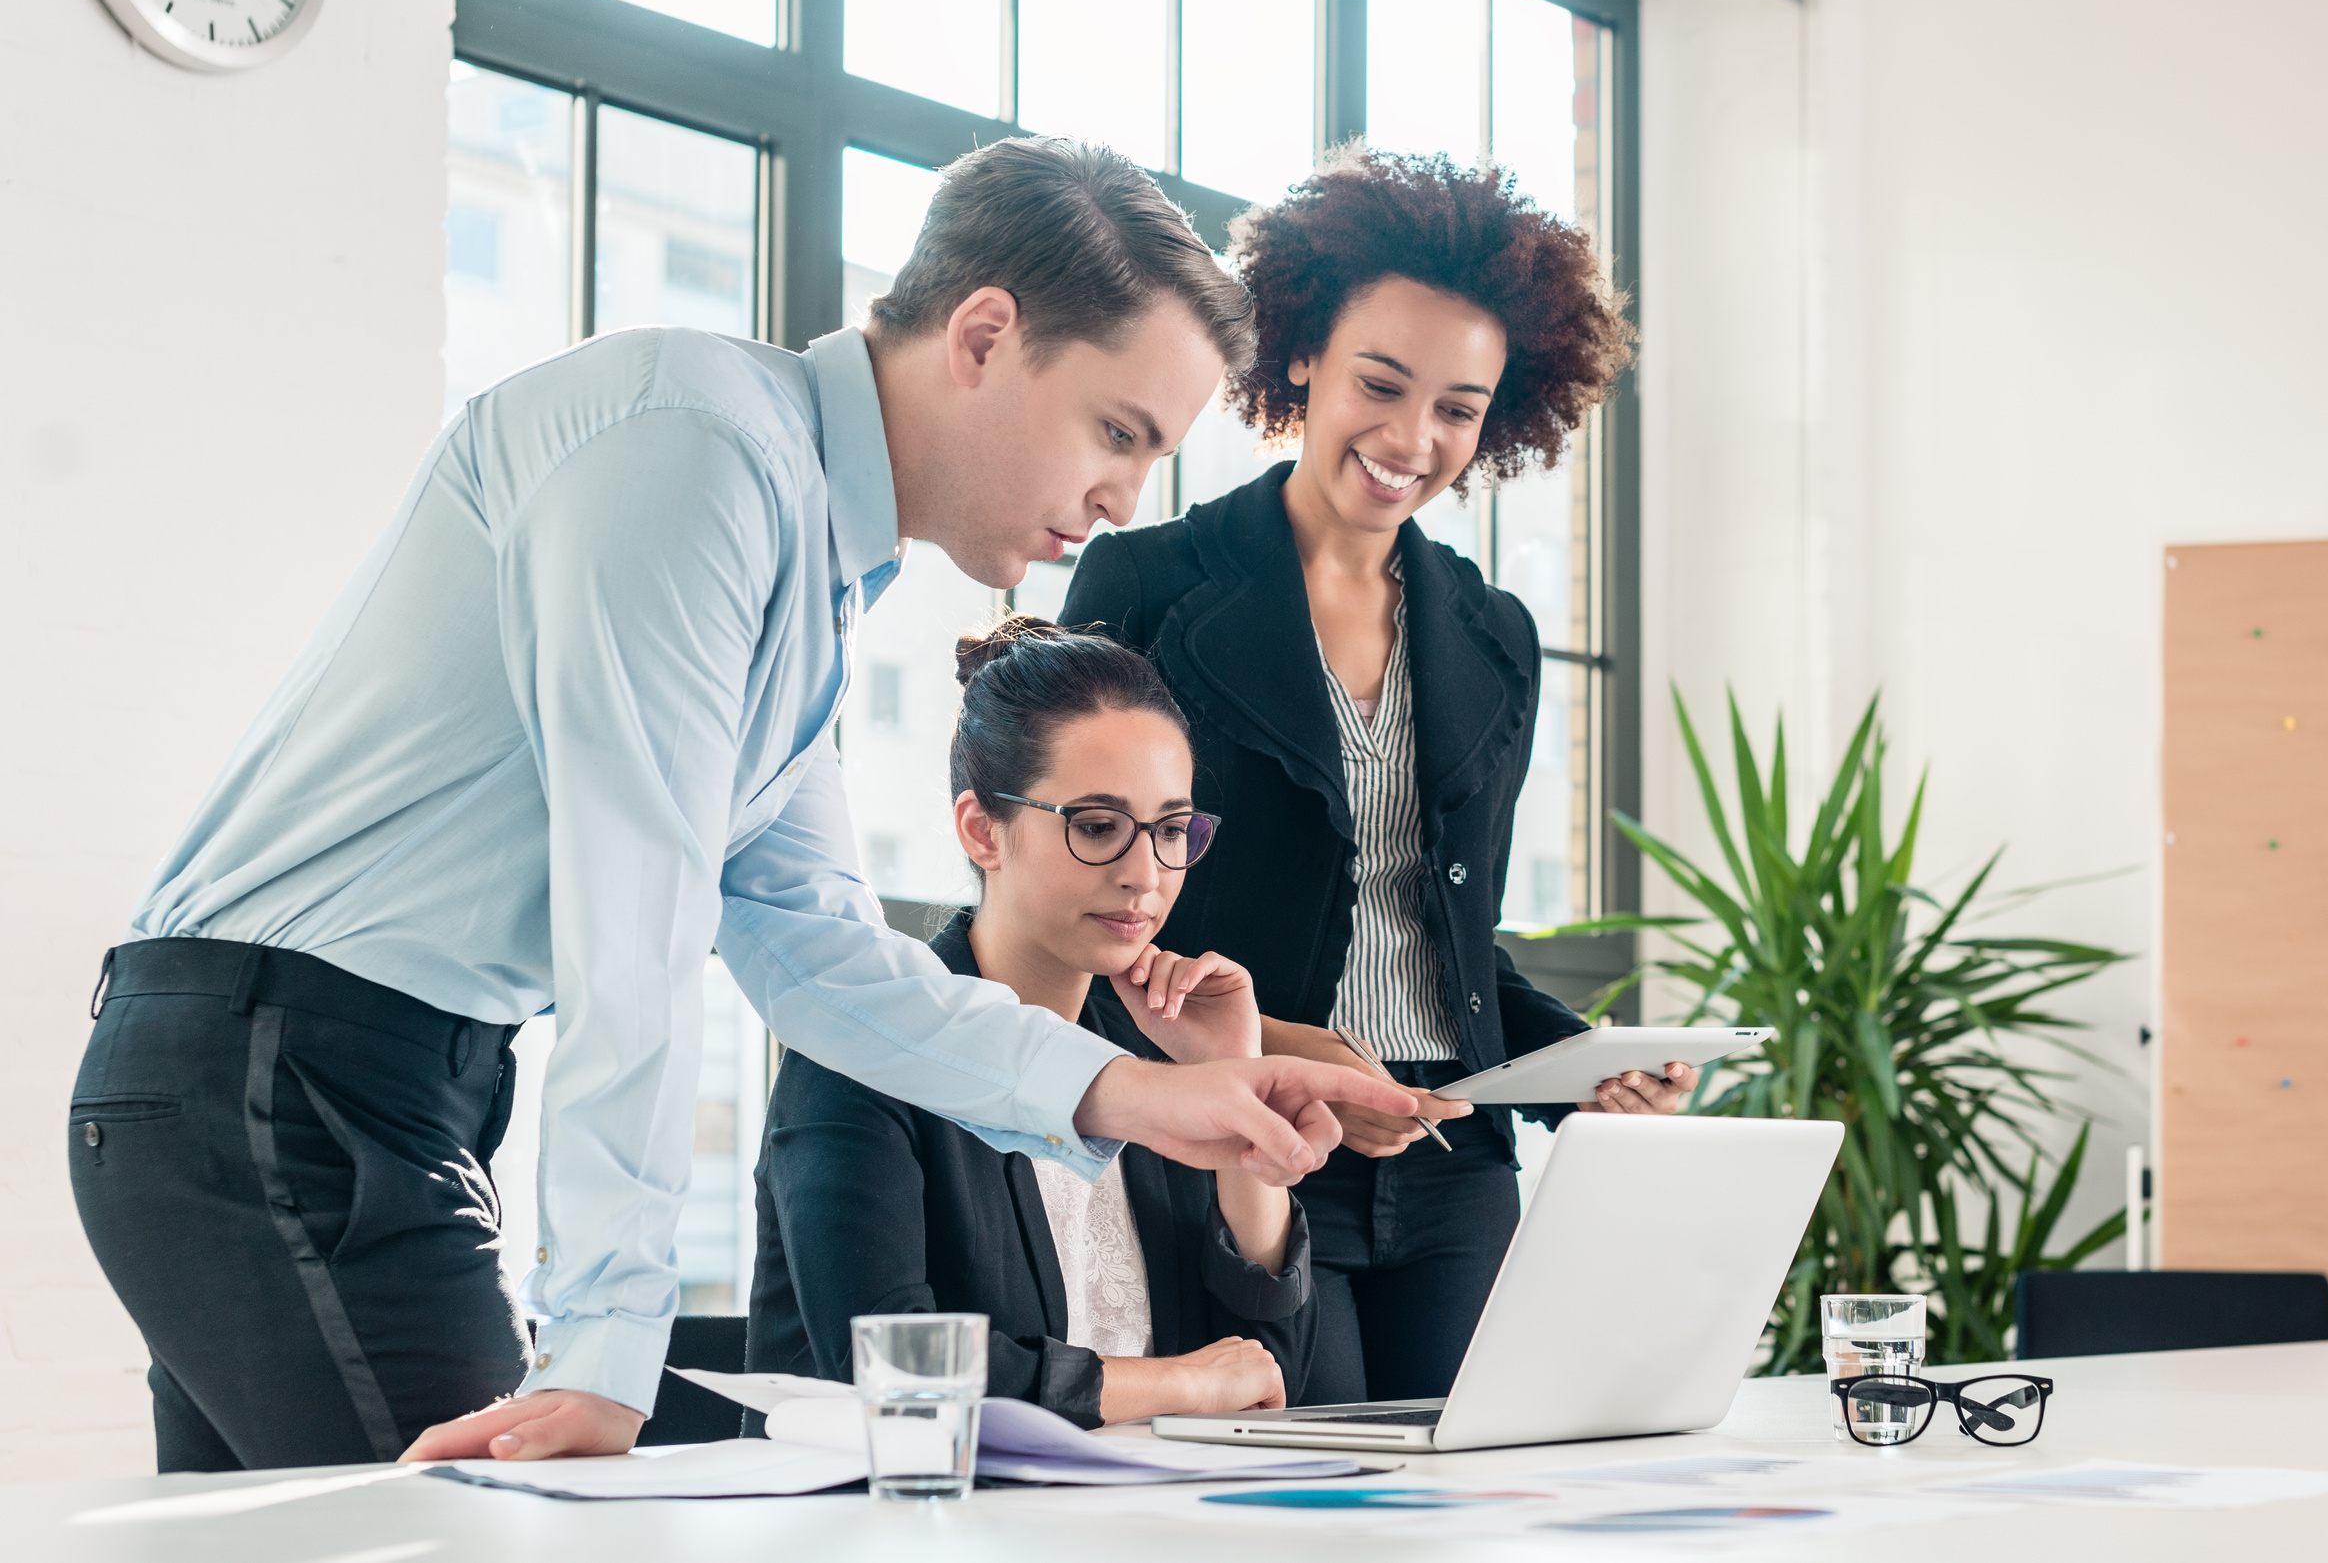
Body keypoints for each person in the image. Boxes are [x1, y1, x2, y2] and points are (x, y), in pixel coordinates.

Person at [69, 136, 1411, 1473]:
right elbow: (636, 919)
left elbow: (822, 958)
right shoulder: (697, 454)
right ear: (985, 334)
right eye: (1118, 431)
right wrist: (602, 1345)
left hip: (338, 1078)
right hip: (273, 1074)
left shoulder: (804, 569)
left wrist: (1138, 1094)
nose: (1126, 493)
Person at [1060, 147, 1688, 1407]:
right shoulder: (1147, 586)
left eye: (1459, 409)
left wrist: (1578, 1067)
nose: (1413, 439)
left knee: (1470, 1507)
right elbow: (1084, 912)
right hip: (1243, 1141)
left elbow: (1456, 945)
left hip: (1453, 1168)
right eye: (1380, 385)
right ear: (1301, 357)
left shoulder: (1494, 634)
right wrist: (1293, 1050)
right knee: (1285, 1508)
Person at [748, 617, 1315, 1425]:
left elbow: (1270, 1373)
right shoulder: (865, 1043)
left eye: (1170, 831)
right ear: (983, 830)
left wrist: (1234, 1084)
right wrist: (1181, 1385)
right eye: (1096, 827)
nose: (1145, 876)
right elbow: (892, 1370)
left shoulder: (1153, 1050)